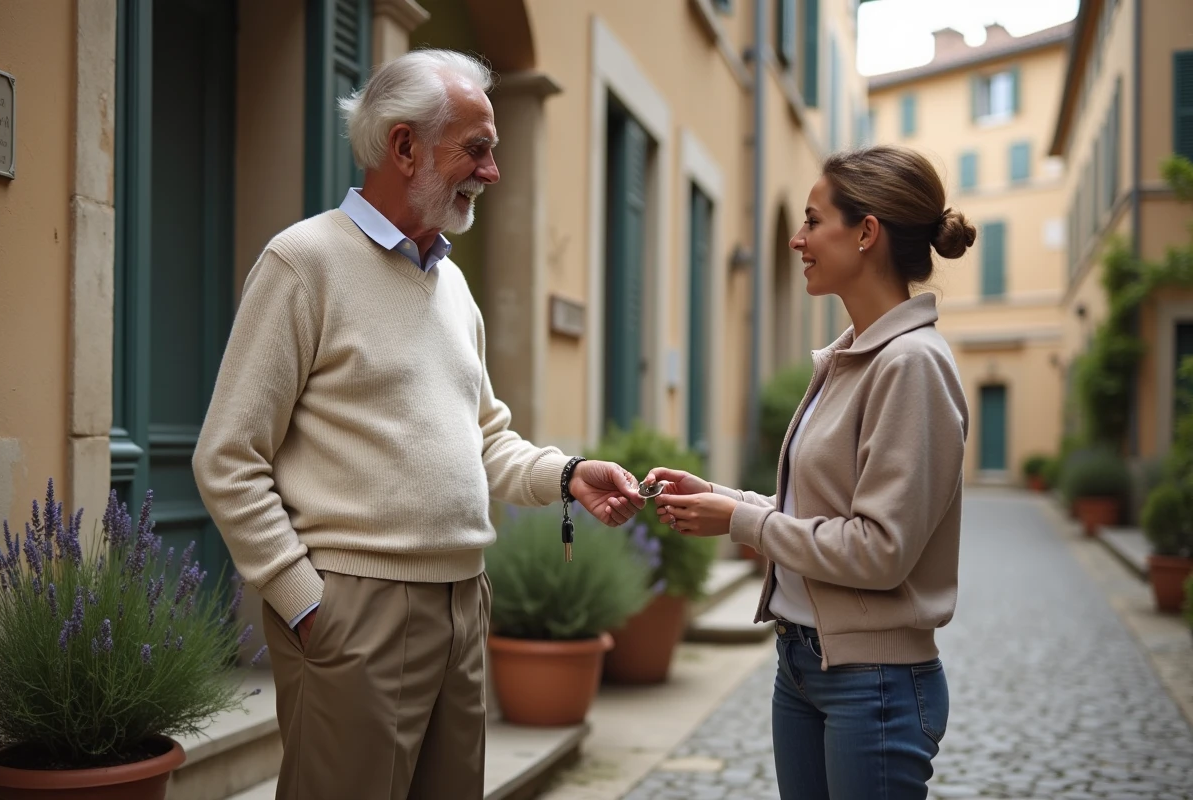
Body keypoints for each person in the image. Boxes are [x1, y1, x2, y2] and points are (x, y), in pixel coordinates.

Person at [192, 49, 644, 800]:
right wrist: (305, 601)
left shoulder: (453, 284)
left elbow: (488, 437)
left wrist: (568, 475)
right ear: (404, 147)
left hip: (465, 602)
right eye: (478, 147)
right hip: (355, 611)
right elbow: (227, 458)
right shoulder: (303, 263)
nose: (492, 171)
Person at [646, 144, 973, 800]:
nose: (797, 240)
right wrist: (720, 497)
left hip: (873, 682)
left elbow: (879, 551)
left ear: (866, 232)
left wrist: (743, 521)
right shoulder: (854, 357)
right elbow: (821, 515)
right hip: (803, 664)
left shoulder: (909, 365)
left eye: (812, 220)